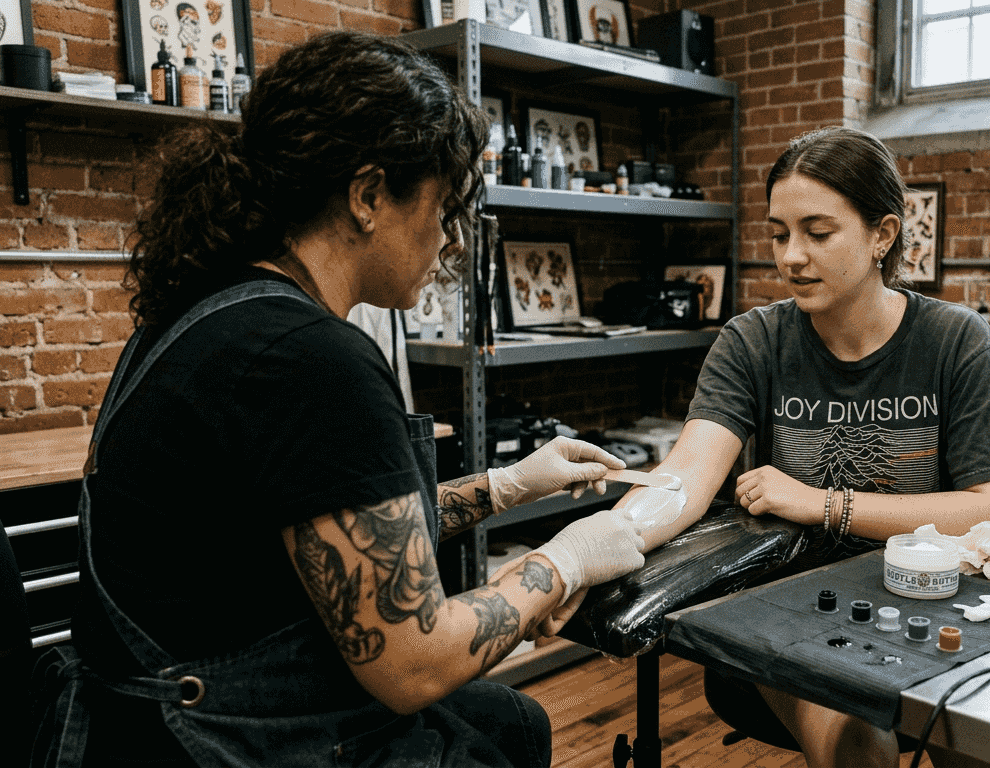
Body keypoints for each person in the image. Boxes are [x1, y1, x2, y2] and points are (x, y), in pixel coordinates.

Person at [33, 30, 646, 768]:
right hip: (207, 738)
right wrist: (565, 561)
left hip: (135, 718)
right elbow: (414, 665)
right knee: (500, 732)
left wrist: (505, 486)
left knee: (510, 720)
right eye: (441, 208)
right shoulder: (312, 360)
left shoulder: (211, 312)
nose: (450, 240)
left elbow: (335, 530)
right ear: (367, 196)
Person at [603, 126, 990, 767]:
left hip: (933, 597)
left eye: (818, 233)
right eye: (780, 234)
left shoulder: (956, 341)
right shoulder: (753, 342)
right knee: (861, 748)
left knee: (987, 746)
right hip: (795, 608)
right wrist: (580, 556)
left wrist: (824, 503)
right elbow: (684, 478)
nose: (792, 257)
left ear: (882, 235)